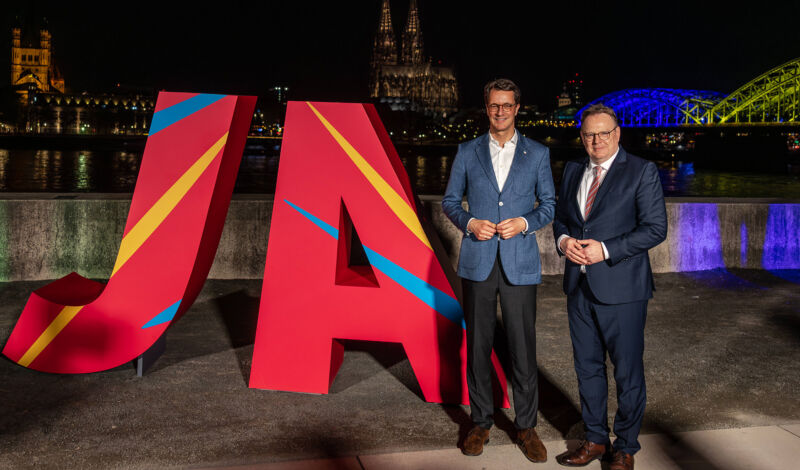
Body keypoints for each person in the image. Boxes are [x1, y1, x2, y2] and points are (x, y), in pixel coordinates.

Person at [442, 78, 555, 462]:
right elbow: (450, 202)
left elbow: (549, 206)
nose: (500, 111)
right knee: (478, 346)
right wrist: (470, 223)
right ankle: (480, 423)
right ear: (486, 108)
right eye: (494, 105)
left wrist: (524, 223)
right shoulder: (467, 151)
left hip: (519, 262)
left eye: (507, 105)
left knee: (523, 347)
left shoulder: (537, 153)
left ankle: (526, 426)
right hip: (478, 260)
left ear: (517, 108)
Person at [552, 104, 667, 470]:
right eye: (589, 134)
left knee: (627, 372)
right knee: (587, 368)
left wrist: (604, 250)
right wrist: (564, 241)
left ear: (617, 134)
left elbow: (655, 229)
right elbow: (561, 218)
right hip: (579, 286)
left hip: (623, 289)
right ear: (581, 136)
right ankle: (596, 439)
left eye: (603, 133)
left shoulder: (641, 170)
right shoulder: (573, 169)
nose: (596, 140)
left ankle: (626, 447)